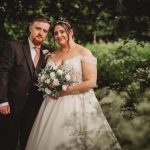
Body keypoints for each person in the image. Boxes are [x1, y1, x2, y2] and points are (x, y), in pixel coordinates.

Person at [25, 20, 121, 150]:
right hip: (52, 103)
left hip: (79, 102)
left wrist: (66, 90)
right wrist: (48, 86)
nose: (59, 36)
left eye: (62, 32)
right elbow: (45, 78)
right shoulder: (52, 54)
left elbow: (91, 81)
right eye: (55, 33)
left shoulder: (84, 52)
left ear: (70, 32)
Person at [0, 16, 51, 150]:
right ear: (30, 28)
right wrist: (3, 101)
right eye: (38, 28)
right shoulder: (13, 47)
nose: (41, 33)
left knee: (28, 143)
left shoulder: (48, 52)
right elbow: (3, 74)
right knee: (7, 142)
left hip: (35, 107)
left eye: (45, 31)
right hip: (11, 105)